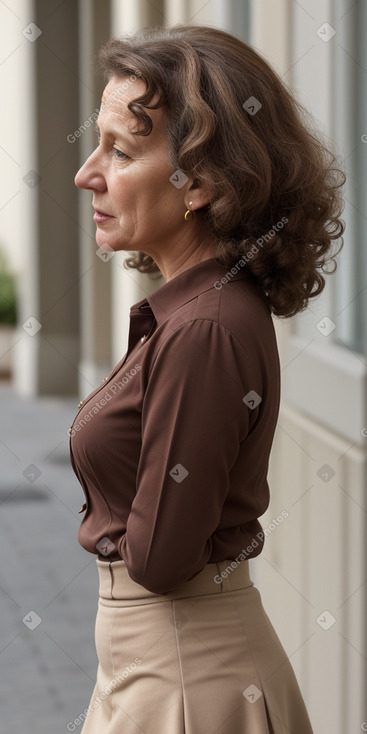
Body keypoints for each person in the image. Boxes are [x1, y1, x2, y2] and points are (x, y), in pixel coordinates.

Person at [69, 24, 345, 734]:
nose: (87, 173)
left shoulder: (203, 329)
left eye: (120, 150)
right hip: (163, 667)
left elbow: (161, 560)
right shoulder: (201, 310)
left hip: (183, 680)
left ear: (204, 182)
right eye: (96, 143)